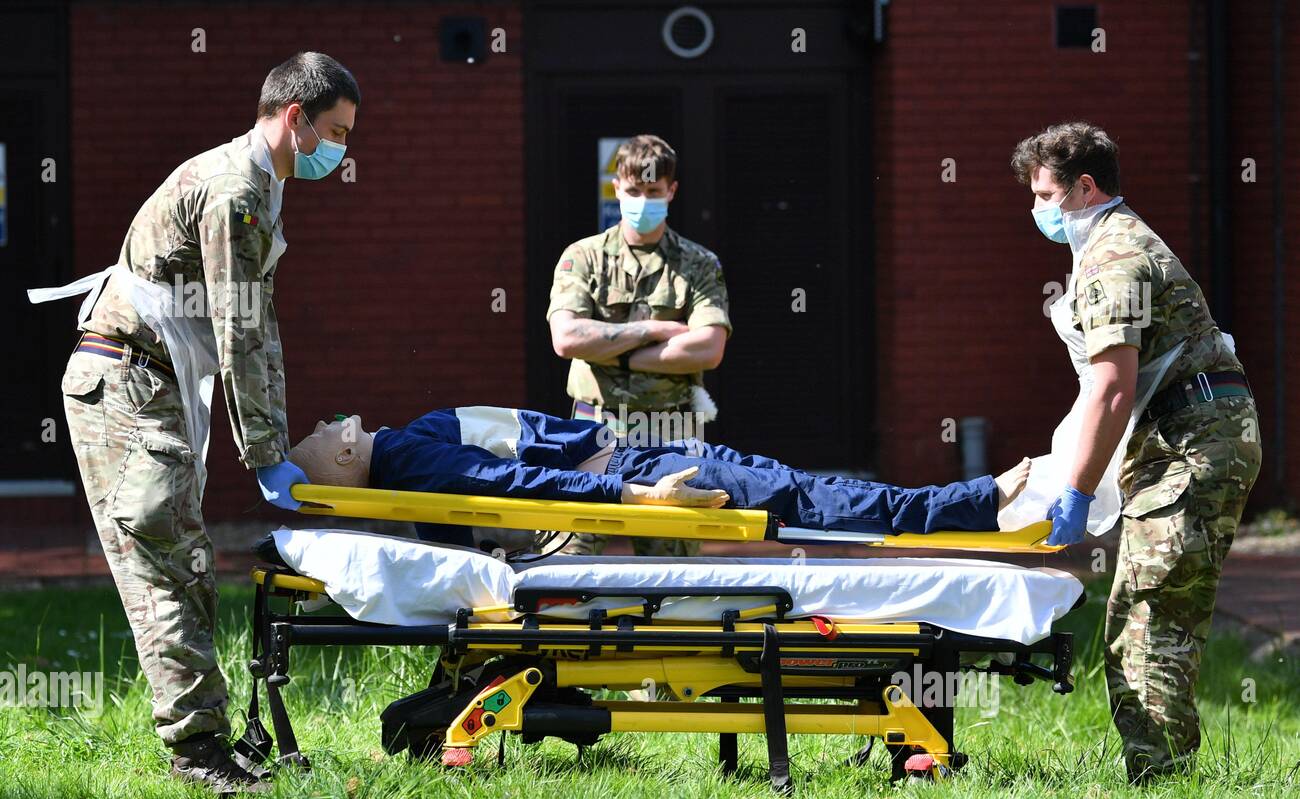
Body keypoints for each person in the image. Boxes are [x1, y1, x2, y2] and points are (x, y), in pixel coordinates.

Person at [41, 53, 360, 796]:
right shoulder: (235, 190)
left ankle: (209, 740)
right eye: (337, 132)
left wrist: (271, 442)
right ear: (294, 117)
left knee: (184, 560)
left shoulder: (263, 186)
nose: (342, 151)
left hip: (146, 378)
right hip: (126, 381)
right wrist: (266, 453)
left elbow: (260, 328)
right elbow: (240, 328)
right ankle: (197, 753)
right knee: (166, 566)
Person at [1012, 121, 1261, 784]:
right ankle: (1163, 775)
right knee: (1146, 617)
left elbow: (1112, 389)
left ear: (1084, 186)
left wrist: (1073, 492)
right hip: (1186, 436)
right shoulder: (1110, 243)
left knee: (1150, 621)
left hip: (1190, 445)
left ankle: (1162, 788)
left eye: (1044, 194)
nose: (1037, 209)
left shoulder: (1115, 257)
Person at [285, 407, 1032, 539]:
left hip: (638, 456)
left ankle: (979, 500)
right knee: (808, 500)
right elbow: (512, 486)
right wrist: (635, 493)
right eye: (319, 437)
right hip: (638, 469)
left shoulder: (413, 449)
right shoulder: (411, 456)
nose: (324, 425)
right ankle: (982, 502)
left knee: (807, 492)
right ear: (346, 459)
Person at [546, 134, 730, 557]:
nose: (642, 201)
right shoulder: (584, 257)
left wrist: (612, 352)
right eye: (633, 191)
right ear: (616, 188)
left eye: (653, 192)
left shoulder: (699, 264)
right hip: (594, 431)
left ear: (672, 191)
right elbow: (567, 338)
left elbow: (708, 349)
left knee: (673, 571)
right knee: (568, 557)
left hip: (670, 434)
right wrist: (654, 331)